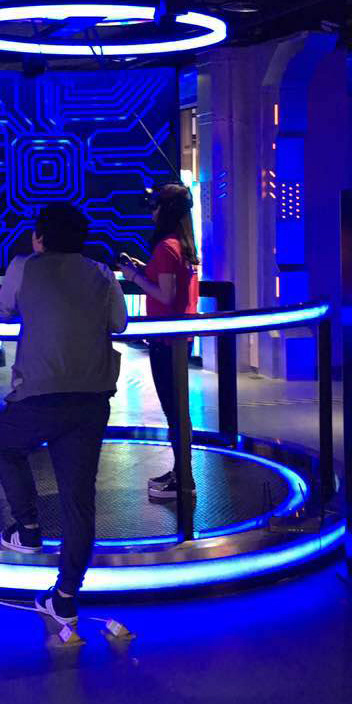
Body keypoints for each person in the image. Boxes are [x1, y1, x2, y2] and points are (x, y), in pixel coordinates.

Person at [0, 202, 127, 630]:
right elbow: (120, 324)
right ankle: (65, 597)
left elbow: (2, 310)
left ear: (40, 238)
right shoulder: (102, 273)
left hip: (39, 395)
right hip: (91, 398)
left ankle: (28, 528)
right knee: (78, 500)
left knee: (6, 447)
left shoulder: (23, 267)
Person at [118, 183, 200, 500]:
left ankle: (184, 480)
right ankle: (182, 472)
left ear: (165, 210)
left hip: (166, 341)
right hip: (179, 339)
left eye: (155, 206)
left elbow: (165, 295)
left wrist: (134, 277)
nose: (152, 212)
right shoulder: (183, 245)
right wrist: (144, 269)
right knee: (178, 410)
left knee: (174, 411)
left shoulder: (167, 247)